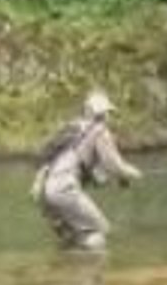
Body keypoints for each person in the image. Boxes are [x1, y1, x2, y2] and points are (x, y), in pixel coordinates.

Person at [32, 90, 142, 251]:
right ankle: (91, 272)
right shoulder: (100, 131)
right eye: (108, 113)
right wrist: (133, 172)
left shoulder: (73, 128)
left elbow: (93, 171)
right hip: (64, 190)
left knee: (72, 236)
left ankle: (63, 269)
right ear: (103, 113)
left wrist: (118, 177)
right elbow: (114, 165)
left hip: (44, 195)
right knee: (99, 231)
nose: (108, 117)